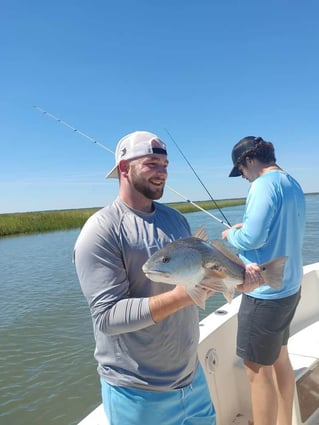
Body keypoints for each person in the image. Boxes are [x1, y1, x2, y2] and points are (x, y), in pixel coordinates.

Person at [73, 130, 217, 425]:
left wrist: (219, 279)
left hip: (193, 377)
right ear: (124, 168)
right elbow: (107, 317)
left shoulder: (176, 219)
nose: (162, 172)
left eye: (165, 165)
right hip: (138, 394)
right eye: (152, 163)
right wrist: (182, 296)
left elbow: (198, 272)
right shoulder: (102, 230)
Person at [221, 136, 305, 425]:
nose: (243, 177)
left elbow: (253, 238)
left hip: (264, 295)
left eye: (241, 170)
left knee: (256, 369)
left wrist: (232, 234)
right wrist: (248, 227)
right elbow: (280, 227)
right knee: (280, 359)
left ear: (250, 161)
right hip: (290, 289)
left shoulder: (262, 185)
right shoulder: (292, 183)